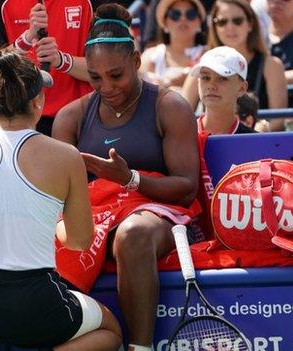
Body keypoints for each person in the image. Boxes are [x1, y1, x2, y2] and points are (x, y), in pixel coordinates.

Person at [0, 46, 122, 351]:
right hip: (36, 305)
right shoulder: (66, 157)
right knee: (111, 331)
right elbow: (78, 241)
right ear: (38, 102)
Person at [53, 5, 200, 350]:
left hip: (162, 213)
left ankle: (140, 346)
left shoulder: (170, 106)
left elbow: (186, 187)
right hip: (92, 216)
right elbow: (56, 195)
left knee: (132, 234)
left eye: (115, 75)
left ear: (136, 61)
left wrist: (130, 179)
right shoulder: (70, 117)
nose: (106, 87)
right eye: (94, 77)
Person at [0, 0, 107, 135]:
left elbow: (106, 70)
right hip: (21, 120)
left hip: (80, 118)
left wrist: (61, 60)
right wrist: (26, 39)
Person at [181, 0, 287, 112]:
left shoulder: (271, 65)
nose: (230, 27)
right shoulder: (202, 66)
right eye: (222, 22)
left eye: (237, 21)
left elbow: (278, 120)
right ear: (214, 27)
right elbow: (182, 116)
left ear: (250, 24)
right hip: (212, 130)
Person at [139, 0, 206, 90]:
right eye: (175, 14)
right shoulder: (149, 57)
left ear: (199, 22)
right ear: (165, 22)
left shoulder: (209, 55)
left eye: (191, 14)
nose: (183, 18)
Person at [194, 46, 256, 135]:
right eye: (205, 78)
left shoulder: (254, 142)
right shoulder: (180, 135)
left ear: (242, 88)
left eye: (222, 78)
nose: (211, 85)